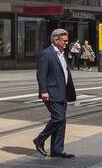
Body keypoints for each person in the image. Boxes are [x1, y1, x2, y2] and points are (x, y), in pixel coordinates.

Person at [33, 28, 77, 159]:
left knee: (61, 121)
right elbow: (41, 74)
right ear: (55, 40)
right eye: (64, 40)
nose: (66, 42)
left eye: (67, 40)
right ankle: (40, 139)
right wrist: (44, 91)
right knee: (59, 118)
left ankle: (57, 149)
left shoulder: (62, 53)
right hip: (51, 92)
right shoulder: (46, 54)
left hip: (63, 92)